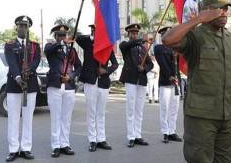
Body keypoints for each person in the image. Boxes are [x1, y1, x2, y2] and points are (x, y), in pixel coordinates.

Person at [162, 0, 231, 163]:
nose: (224, 13)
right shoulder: (195, 36)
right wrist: (197, 20)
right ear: (206, 11)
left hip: (225, 116)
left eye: (226, 9)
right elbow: (167, 40)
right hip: (201, 117)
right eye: (219, 9)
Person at [76, 24, 118, 152]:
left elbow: (115, 64)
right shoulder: (88, 43)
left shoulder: (107, 47)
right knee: (91, 112)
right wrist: (92, 38)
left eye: (98, 30)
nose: (96, 32)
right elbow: (78, 38)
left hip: (103, 82)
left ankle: (101, 139)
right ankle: (92, 140)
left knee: (101, 113)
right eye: (94, 31)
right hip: (91, 81)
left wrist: (105, 71)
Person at [4, 16, 41, 162]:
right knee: (13, 118)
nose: (23, 28)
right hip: (14, 85)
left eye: (26, 26)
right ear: (16, 27)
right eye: (21, 25)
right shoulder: (10, 44)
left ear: (28, 28)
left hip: (30, 85)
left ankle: (26, 148)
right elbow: (11, 62)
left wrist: (29, 71)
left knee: (28, 118)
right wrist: (19, 77)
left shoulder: (34, 46)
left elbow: (37, 60)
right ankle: (13, 149)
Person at [44, 25, 82, 158]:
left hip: (69, 86)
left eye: (64, 35)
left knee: (66, 117)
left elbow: (78, 66)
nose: (62, 37)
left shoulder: (71, 50)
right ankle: (55, 145)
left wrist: (70, 77)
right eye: (59, 35)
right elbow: (49, 51)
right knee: (56, 117)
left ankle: (65, 144)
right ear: (55, 37)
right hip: (55, 85)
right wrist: (61, 43)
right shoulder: (51, 47)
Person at [119, 23, 154, 148]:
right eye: (132, 33)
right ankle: (131, 136)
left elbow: (151, 64)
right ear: (128, 34)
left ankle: (138, 135)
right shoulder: (125, 45)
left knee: (139, 110)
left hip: (142, 80)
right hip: (131, 80)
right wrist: (141, 40)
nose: (134, 35)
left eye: (136, 33)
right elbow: (130, 44)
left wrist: (144, 69)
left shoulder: (143, 49)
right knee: (131, 109)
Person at [154, 26, 182, 144]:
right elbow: (163, 63)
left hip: (176, 82)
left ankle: (172, 131)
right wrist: (170, 76)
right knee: (164, 108)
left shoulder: (176, 48)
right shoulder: (159, 48)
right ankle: (165, 132)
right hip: (166, 81)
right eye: (166, 34)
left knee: (174, 108)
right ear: (162, 36)